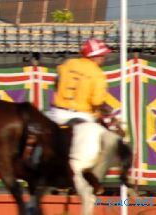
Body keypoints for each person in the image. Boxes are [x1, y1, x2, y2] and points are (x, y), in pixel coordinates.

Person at [46, 38, 117, 196]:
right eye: (102, 56)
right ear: (95, 57)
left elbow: (56, 82)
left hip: (57, 114)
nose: (103, 59)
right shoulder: (97, 73)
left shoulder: (68, 64)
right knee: (108, 143)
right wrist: (108, 110)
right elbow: (96, 102)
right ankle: (94, 180)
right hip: (83, 117)